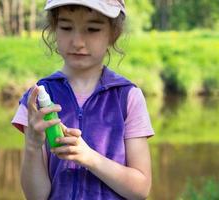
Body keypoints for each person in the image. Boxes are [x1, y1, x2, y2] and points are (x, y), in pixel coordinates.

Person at [11, 0, 154, 199]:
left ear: (114, 33)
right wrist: (33, 145)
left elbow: (140, 190)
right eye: (66, 27)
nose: (77, 42)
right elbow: (36, 196)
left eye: (92, 29)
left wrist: (90, 158)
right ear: (54, 29)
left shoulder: (128, 97)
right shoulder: (36, 101)